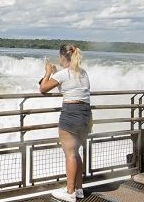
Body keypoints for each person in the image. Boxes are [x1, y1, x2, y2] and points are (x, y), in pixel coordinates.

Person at [39, 44, 91, 201]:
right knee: (76, 153)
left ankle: (70, 193)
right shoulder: (83, 73)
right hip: (85, 114)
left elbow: (43, 88)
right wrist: (56, 73)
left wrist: (48, 72)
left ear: (62, 57)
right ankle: (79, 189)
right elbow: (68, 86)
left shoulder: (63, 74)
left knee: (70, 154)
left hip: (70, 114)